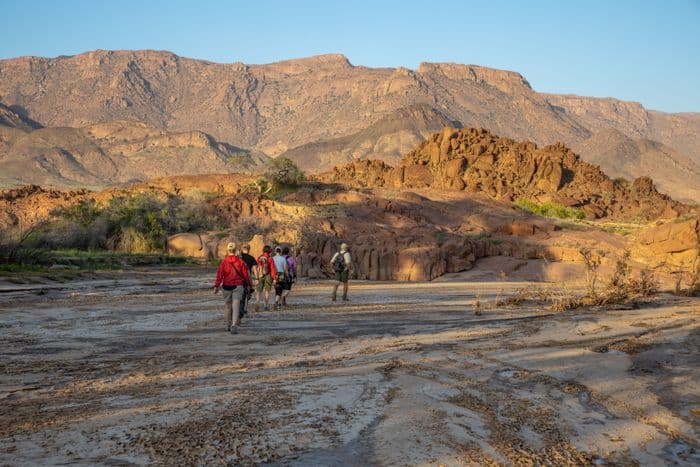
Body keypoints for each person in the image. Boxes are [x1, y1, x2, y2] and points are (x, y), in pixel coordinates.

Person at [214, 242, 251, 334]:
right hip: (238, 285)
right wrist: (247, 284)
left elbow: (219, 275)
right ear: (235, 250)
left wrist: (216, 286)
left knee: (227, 306)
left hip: (226, 285)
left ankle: (228, 323)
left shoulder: (223, 262)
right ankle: (234, 325)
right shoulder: (240, 261)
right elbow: (245, 275)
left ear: (227, 250)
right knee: (236, 306)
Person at [255, 245, 277, 311]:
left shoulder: (259, 257)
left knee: (258, 291)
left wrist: (256, 277)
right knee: (267, 291)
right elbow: (273, 269)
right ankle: (265, 305)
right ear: (269, 250)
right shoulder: (270, 258)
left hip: (260, 275)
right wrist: (274, 278)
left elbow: (256, 267)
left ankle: (257, 302)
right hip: (268, 275)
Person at [239, 244, 258, 318]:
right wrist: (256, 278)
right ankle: (245, 309)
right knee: (246, 294)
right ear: (249, 249)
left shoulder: (238, 258)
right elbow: (255, 269)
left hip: (237, 278)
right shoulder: (251, 258)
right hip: (246, 278)